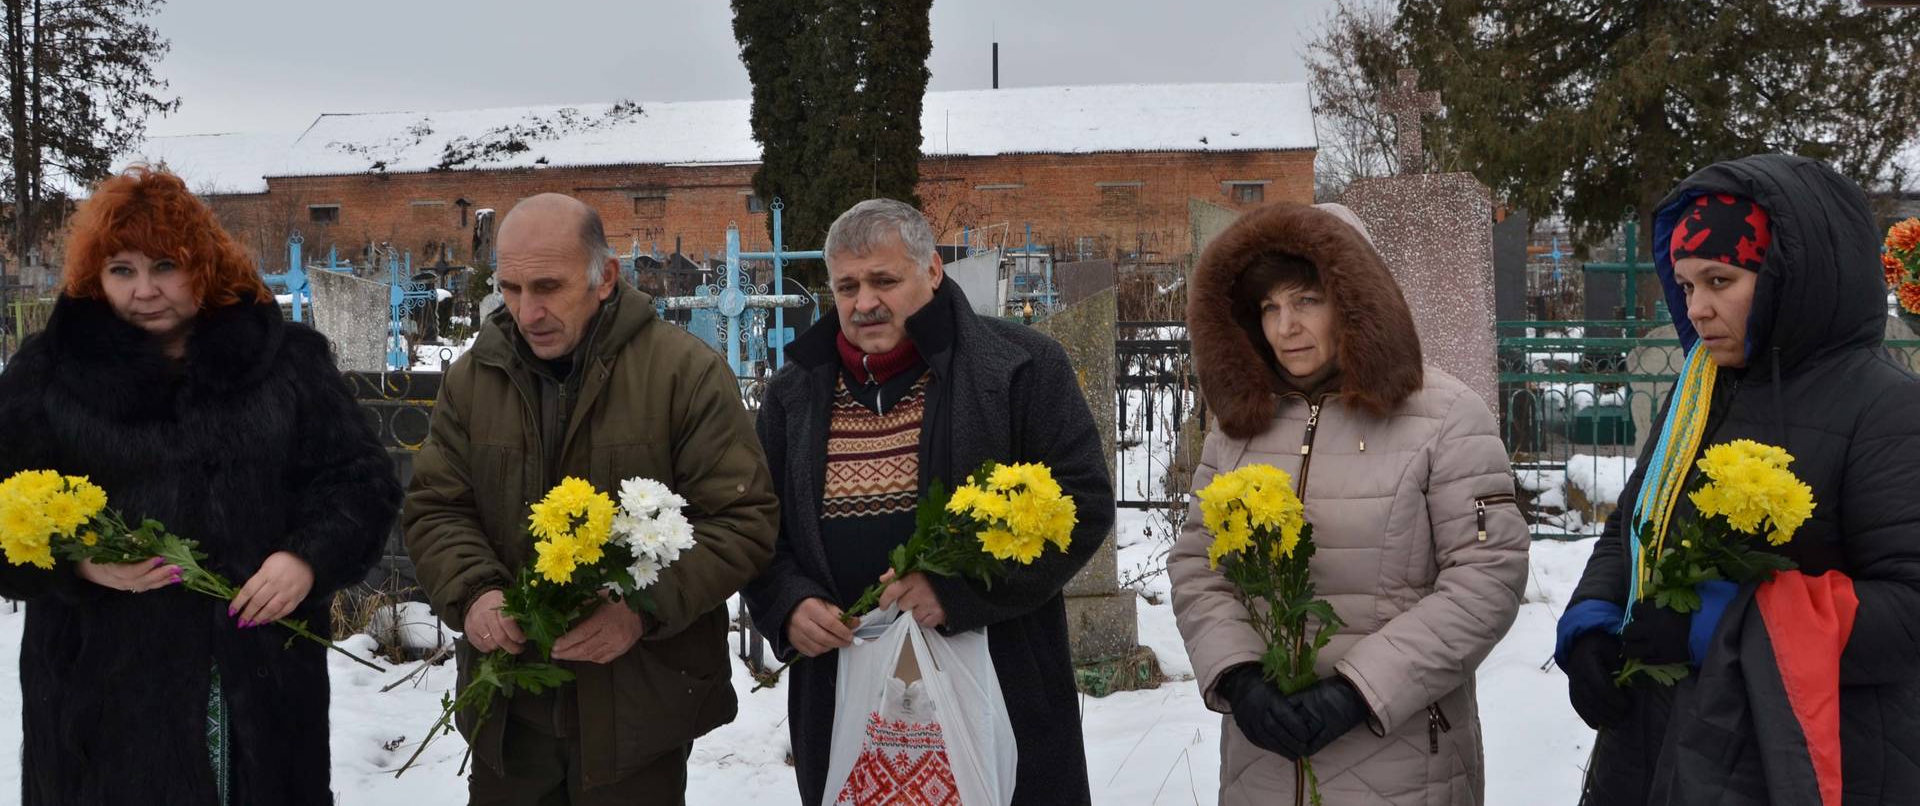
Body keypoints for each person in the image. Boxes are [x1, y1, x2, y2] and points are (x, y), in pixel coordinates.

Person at [0, 166, 401, 804]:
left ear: (204, 264)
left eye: (165, 265)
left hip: (257, 676)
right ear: (95, 277)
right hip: (97, 687)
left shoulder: (284, 362)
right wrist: (75, 563)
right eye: (122, 270)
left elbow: (359, 481)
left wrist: (306, 557)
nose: (145, 290)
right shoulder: (50, 374)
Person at [1557, 155, 1920, 805]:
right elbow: (1638, 518)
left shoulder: (1888, 408)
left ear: (1791, 278)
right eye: (1687, 283)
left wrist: (1716, 626)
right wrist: (1592, 618)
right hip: (1660, 746)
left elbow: (1909, 612)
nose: (1696, 308)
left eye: (1720, 280)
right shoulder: (1698, 390)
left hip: (1806, 762)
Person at [402, 193, 779, 804]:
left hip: (636, 713)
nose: (529, 311)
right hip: (510, 715)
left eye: (549, 286)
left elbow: (741, 518)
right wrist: (475, 593)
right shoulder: (474, 379)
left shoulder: (683, 373)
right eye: (512, 288)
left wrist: (640, 607)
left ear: (606, 277)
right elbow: (438, 507)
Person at [741, 198, 1116, 806]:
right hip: (846, 686)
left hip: (998, 674)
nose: (864, 303)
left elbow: (1085, 501)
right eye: (847, 286)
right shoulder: (792, 396)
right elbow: (757, 527)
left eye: (884, 280)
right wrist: (787, 602)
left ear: (933, 271)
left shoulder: (1020, 367)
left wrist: (959, 591)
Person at [1169, 202, 1528, 806]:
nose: (1286, 327)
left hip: (1401, 755)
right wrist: (1239, 676)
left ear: (1355, 300)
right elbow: (1196, 565)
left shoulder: (1444, 417)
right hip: (1264, 762)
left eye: (1307, 301)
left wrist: (1359, 691)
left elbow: (1487, 577)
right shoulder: (1238, 429)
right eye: (1269, 307)